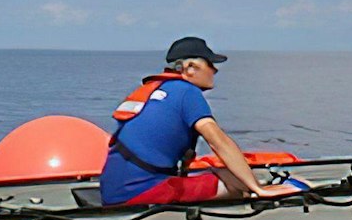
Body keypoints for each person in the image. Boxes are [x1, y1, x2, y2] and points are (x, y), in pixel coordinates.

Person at [99, 37, 304, 205]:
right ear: (190, 68)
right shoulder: (187, 92)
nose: (214, 70)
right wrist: (257, 188)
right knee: (235, 185)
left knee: (226, 173)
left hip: (113, 189)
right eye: (210, 64)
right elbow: (218, 141)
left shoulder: (156, 89)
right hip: (140, 192)